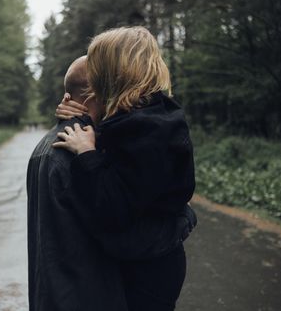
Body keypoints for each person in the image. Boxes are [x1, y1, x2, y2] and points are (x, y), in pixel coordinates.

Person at [27, 55, 195, 311]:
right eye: (113, 85)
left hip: (53, 295)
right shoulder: (79, 153)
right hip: (83, 297)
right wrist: (184, 220)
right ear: (97, 93)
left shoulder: (51, 145)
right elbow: (123, 235)